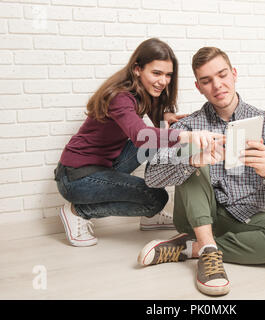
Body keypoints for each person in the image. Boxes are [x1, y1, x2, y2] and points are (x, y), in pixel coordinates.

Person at [137, 47, 265, 296]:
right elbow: (151, 177)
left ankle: (195, 248)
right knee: (192, 157)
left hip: (244, 214)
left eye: (222, 75)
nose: (217, 85)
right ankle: (205, 247)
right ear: (199, 87)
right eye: (207, 81)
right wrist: (192, 158)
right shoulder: (188, 126)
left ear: (234, 74)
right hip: (195, 217)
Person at [54, 38, 223, 247]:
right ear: (137, 69)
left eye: (168, 75)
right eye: (157, 73)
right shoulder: (119, 96)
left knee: (154, 140)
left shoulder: (143, 93)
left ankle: (149, 217)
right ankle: (78, 211)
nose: (163, 81)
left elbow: (148, 130)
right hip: (76, 177)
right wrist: (186, 136)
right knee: (156, 198)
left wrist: (166, 117)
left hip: (104, 164)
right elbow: (140, 135)